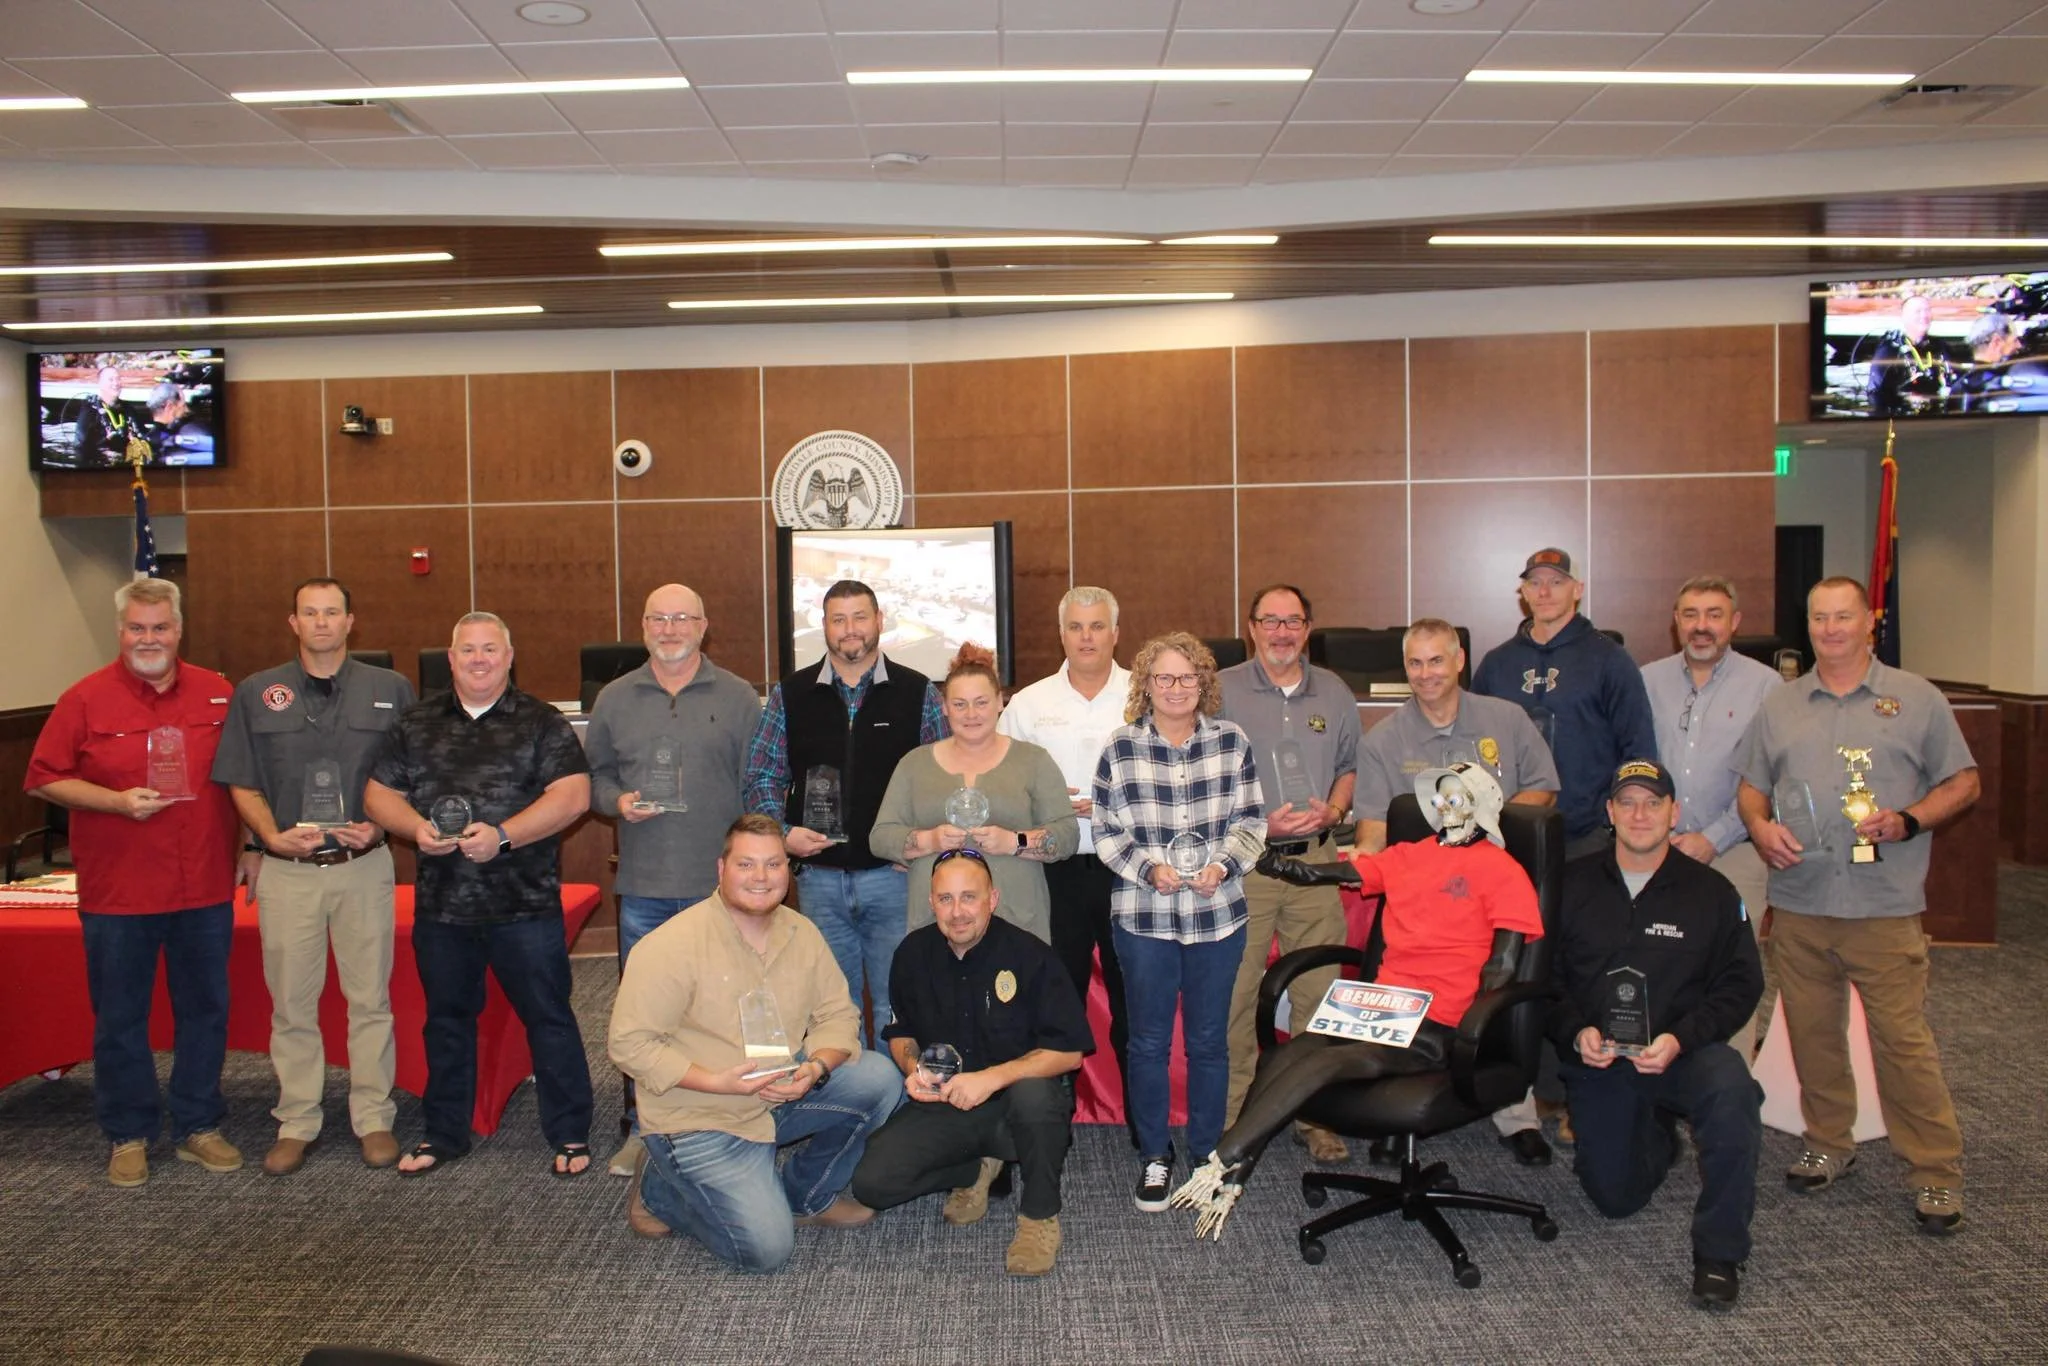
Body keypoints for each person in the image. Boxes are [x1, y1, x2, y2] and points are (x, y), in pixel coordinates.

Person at [1170, 762, 1544, 1239]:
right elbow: (1316, 871)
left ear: (1484, 805)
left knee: (1323, 1065)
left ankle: (1220, 1162)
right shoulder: (1409, 855)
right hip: (1379, 1009)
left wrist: (1478, 1022)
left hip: (1436, 1022)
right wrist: (1265, 857)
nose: (1447, 806)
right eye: (1442, 796)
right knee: (1286, 1055)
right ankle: (1234, 1179)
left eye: (1460, 797)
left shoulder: (1500, 868)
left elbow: (1504, 964)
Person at [1736, 577, 1980, 1235]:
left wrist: (1909, 819)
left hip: (1883, 904)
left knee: (1903, 1042)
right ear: (1807, 625)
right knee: (1813, 1035)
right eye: (1819, 619)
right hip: (1803, 901)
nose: (1831, 629)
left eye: (1844, 616)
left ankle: (1935, 1172)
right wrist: (1759, 829)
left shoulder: (1917, 699)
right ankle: (1829, 1142)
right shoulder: (1781, 705)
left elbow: (1965, 781)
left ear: (1869, 622)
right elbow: (1751, 790)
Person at [607, 816, 902, 1272]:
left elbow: (837, 1015)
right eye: (746, 864)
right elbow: (630, 1045)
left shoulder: (801, 933)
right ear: (721, 869)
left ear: (788, 870)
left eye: (773, 864)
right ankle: (659, 1187)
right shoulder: (671, 946)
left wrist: (816, 1069)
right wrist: (718, 1082)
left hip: (777, 1092)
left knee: (879, 1078)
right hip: (699, 1116)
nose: (761, 878)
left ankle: (806, 1197)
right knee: (765, 1250)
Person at [25, 578, 244, 1187]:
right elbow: (43, 777)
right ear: (120, 631)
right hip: (119, 892)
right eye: (136, 628)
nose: (149, 638)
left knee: (204, 1009)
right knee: (121, 1015)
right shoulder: (84, 699)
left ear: (179, 630)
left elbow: (245, 779)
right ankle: (129, 1133)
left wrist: (250, 844)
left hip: (202, 884)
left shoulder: (219, 694)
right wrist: (114, 801)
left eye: (161, 627)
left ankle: (199, 1125)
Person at [362, 611, 595, 1178]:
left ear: (510, 657)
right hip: (444, 908)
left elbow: (574, 795)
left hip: (525, 905)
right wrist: (414, 828)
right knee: (446, 1021)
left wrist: (505, 837)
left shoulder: (542, 722)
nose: (480, 660)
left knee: (549, 1018)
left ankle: (569, 1132)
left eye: (491, 649)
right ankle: (445, 1133)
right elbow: (376, 796)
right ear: (452, 657)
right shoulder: (415, 723)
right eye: (468, 651)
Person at [211, 577, 415, 1176]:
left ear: (352, 622)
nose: (322, 622)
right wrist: (268, 836)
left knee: (370, 1000)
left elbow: (411, 776)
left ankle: (374, 1117)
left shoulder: (391, 690)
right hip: (288, 870)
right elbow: (240, 781)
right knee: (292, 1004)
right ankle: (297, 1120)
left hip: (362, 866)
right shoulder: (257, 692)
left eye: (333, 612)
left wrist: (381, 828)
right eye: (310, 613)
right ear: (293, 622)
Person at [1549, 760, 1764, 1311]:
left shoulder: (1713, 893)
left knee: (1733, 1089)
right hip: (1601, 1060)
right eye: (1627, 803)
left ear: (1675, 811)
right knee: (1614, 1199)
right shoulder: (1570, 886)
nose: (1640, 814)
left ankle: (1719, 1253)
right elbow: (1540, 981)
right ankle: (1658, 1135)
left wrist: (1683, 1039)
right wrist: (1576, 1033)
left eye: (1653, 803)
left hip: (1681, 1052)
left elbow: (1742, 984)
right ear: (1609, 812)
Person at [1355, 616, 1560, 1164]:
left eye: (1437, 660)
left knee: (1498, 998)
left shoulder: (1506, 719)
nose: (1426, 674)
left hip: (1494, 893)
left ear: (1459, 660)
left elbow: (1544, 787)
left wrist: (1489, 836)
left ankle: (1515, 1114)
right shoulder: (1384, 740)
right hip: (1426, 899)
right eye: (1415, 663)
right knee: (1410, 992)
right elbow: (1374, 824)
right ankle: (1398, 1115)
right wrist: (1363, 861)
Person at [850, 848, 1092, 1277]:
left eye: (969, 897)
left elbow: (1070, 1052)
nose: (957, 911)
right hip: (948, 1103)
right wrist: (914, 1071)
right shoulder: (912, 954)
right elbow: (900, 1033)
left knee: (1037, 1096)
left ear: (992, 899)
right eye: (945, 898)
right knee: (873, 1183)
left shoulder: (1031, 956)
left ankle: (1038, 1215)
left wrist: (991, 1078)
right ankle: (975, 1169)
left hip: (1019, 1110)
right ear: (931, 902)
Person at [585, 583, 760, 1177]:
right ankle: (643, 1128)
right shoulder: (614, 699)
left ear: (703, 626)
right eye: (658, 618)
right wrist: (618, 802)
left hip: (724, 894)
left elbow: (756, 790)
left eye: (682, 617)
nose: (670, 628)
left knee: (731, 1011)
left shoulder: (739, 698)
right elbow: (595, 780)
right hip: (645, 887)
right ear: (643, 626)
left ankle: (727, 1120)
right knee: (644, 1018)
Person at [1091, 633, 1266, 1213]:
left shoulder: (1232, 742)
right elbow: (1105, 830)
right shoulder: (1120, 749)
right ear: (1146, 684)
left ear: (1203, 684)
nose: (1174, 688)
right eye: (1163, 678)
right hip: (1145, 918)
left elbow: (1252, 822)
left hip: (1218, 916)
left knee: (1210, 1043)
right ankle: (1154, 1155)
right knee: (1147, 1043)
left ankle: (1206, 1153)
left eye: (1186, 678)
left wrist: (1223, 865)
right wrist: (1148, 869)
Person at [744, 579, 947, 1046]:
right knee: (832, 1009)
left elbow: (941, 779)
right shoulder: (789, 696)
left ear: (879, 621)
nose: (850, 629)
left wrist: (914, 843)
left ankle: (897, 1111)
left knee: (901, 1006)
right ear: (824, 628)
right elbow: (761, 775)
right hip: (819, 882)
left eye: (860, 617)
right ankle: (849, 1110)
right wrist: (783, 833)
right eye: (839, 619)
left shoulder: (917, 692)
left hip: (894, 879)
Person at [1216, 584, 1362, 1163]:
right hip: (1247, 863)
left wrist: (1337, 807)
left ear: (1307, 628)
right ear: (1251, 627)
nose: (1282, 632)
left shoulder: (1335, 690)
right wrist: (1256, 824)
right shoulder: (1221, 691)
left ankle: (1315, 1114)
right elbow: (1202, 779)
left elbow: (1349, 766)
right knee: (1234, 993)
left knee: (1320, 993)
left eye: (1293, 621)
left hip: (1317, 863)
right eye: (1270, 621)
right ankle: (1232, 1117)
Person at [997, 586, 1136, 1134]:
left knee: (1133, 1005)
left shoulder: (1143, 696)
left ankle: (1143, 1130)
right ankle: (1045, 1127)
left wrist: (1111, 803)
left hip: (1129, 873)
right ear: (1062, 634)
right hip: (1053, 875)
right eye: (1076, 627)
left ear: (1116, 633)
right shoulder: (1029, 704)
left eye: (1098, 626)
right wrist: (1049, 810)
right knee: (1053, 1003)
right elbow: (1004, 787)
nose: (1087, 637)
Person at [1639, 576, 1782, 1058]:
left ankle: (1729, 1083)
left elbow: (1768, 777)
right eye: (1691, 615)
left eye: (1714, 615)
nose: (1702, 627)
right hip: (1655, 853)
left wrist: (1713, 838)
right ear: (1676, 623)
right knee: (1657, 965)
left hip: (1735, 850)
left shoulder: (1766, 686)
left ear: (1735, 622)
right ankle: (1657, 1077)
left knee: (1731, 970)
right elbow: (1632, 766)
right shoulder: (1647, 679)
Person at [870, 643, 1077, 944]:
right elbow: (880, 837)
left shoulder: (1034, 761)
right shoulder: (913, 764)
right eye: (959, 704)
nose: (971, 714)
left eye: (981, 702)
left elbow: (1067, 835)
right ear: (943, 707)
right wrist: (929, 840)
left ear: (1000, 702)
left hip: (1016, 921)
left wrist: (1014, 841)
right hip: (934, 928)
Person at [1473, 548, 1658, 861]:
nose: (1544, 592)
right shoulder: (1496, 664)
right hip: (1507, 836)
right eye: (1534, 583)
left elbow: (1638, 751)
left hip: (1589, 838)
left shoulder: (1610, 660)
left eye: (1557, 582)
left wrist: (1614, 823)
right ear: (1524, 593)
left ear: (1578, 590)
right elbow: (1472, 743)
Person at [1867, 295, 1959, 417]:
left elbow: (1957, 382)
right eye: (1918, 311)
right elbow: (1875, 393)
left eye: (1927, 310)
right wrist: (1905, 398)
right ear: (1904, 317)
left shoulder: (1940, 347)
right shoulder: (1890, 350)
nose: (1924, 315)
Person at [70, 364, 137, 469]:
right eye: (111, 380)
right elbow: (80, 446)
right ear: (100, 384)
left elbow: (143, 436)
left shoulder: (128, 409)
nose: (116, 383)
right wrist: (104, 446)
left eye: (118, 379)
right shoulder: (90, 410)